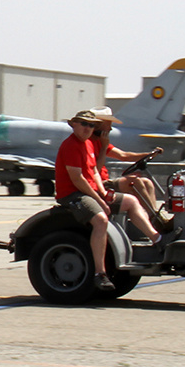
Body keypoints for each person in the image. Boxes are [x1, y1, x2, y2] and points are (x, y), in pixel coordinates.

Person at [55, 109, 159, 292]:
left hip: (91, 190)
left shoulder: (87, 144)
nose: (88, 128)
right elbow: (77, 180)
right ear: (73, 125)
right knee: (101, 219)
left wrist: (103, 192)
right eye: (84, 124)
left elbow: (94, 171)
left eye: (91, 125)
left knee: (131, 201)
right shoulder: (71, 145)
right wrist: (100, 200)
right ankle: (100, 273)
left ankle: (157, 238)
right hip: (73, 194)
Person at [89, 109, 172, 230]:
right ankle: (155, 218)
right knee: (135, 181)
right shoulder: (91, 143)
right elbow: (95, 170)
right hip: (99, 185)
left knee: (147, 182)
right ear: (99, 124)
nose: (110, 129)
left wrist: (148, 154)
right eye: (108, 124)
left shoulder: (100, 143)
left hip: (105, 181)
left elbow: (123, 156)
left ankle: (154, 216)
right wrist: (104, 147)